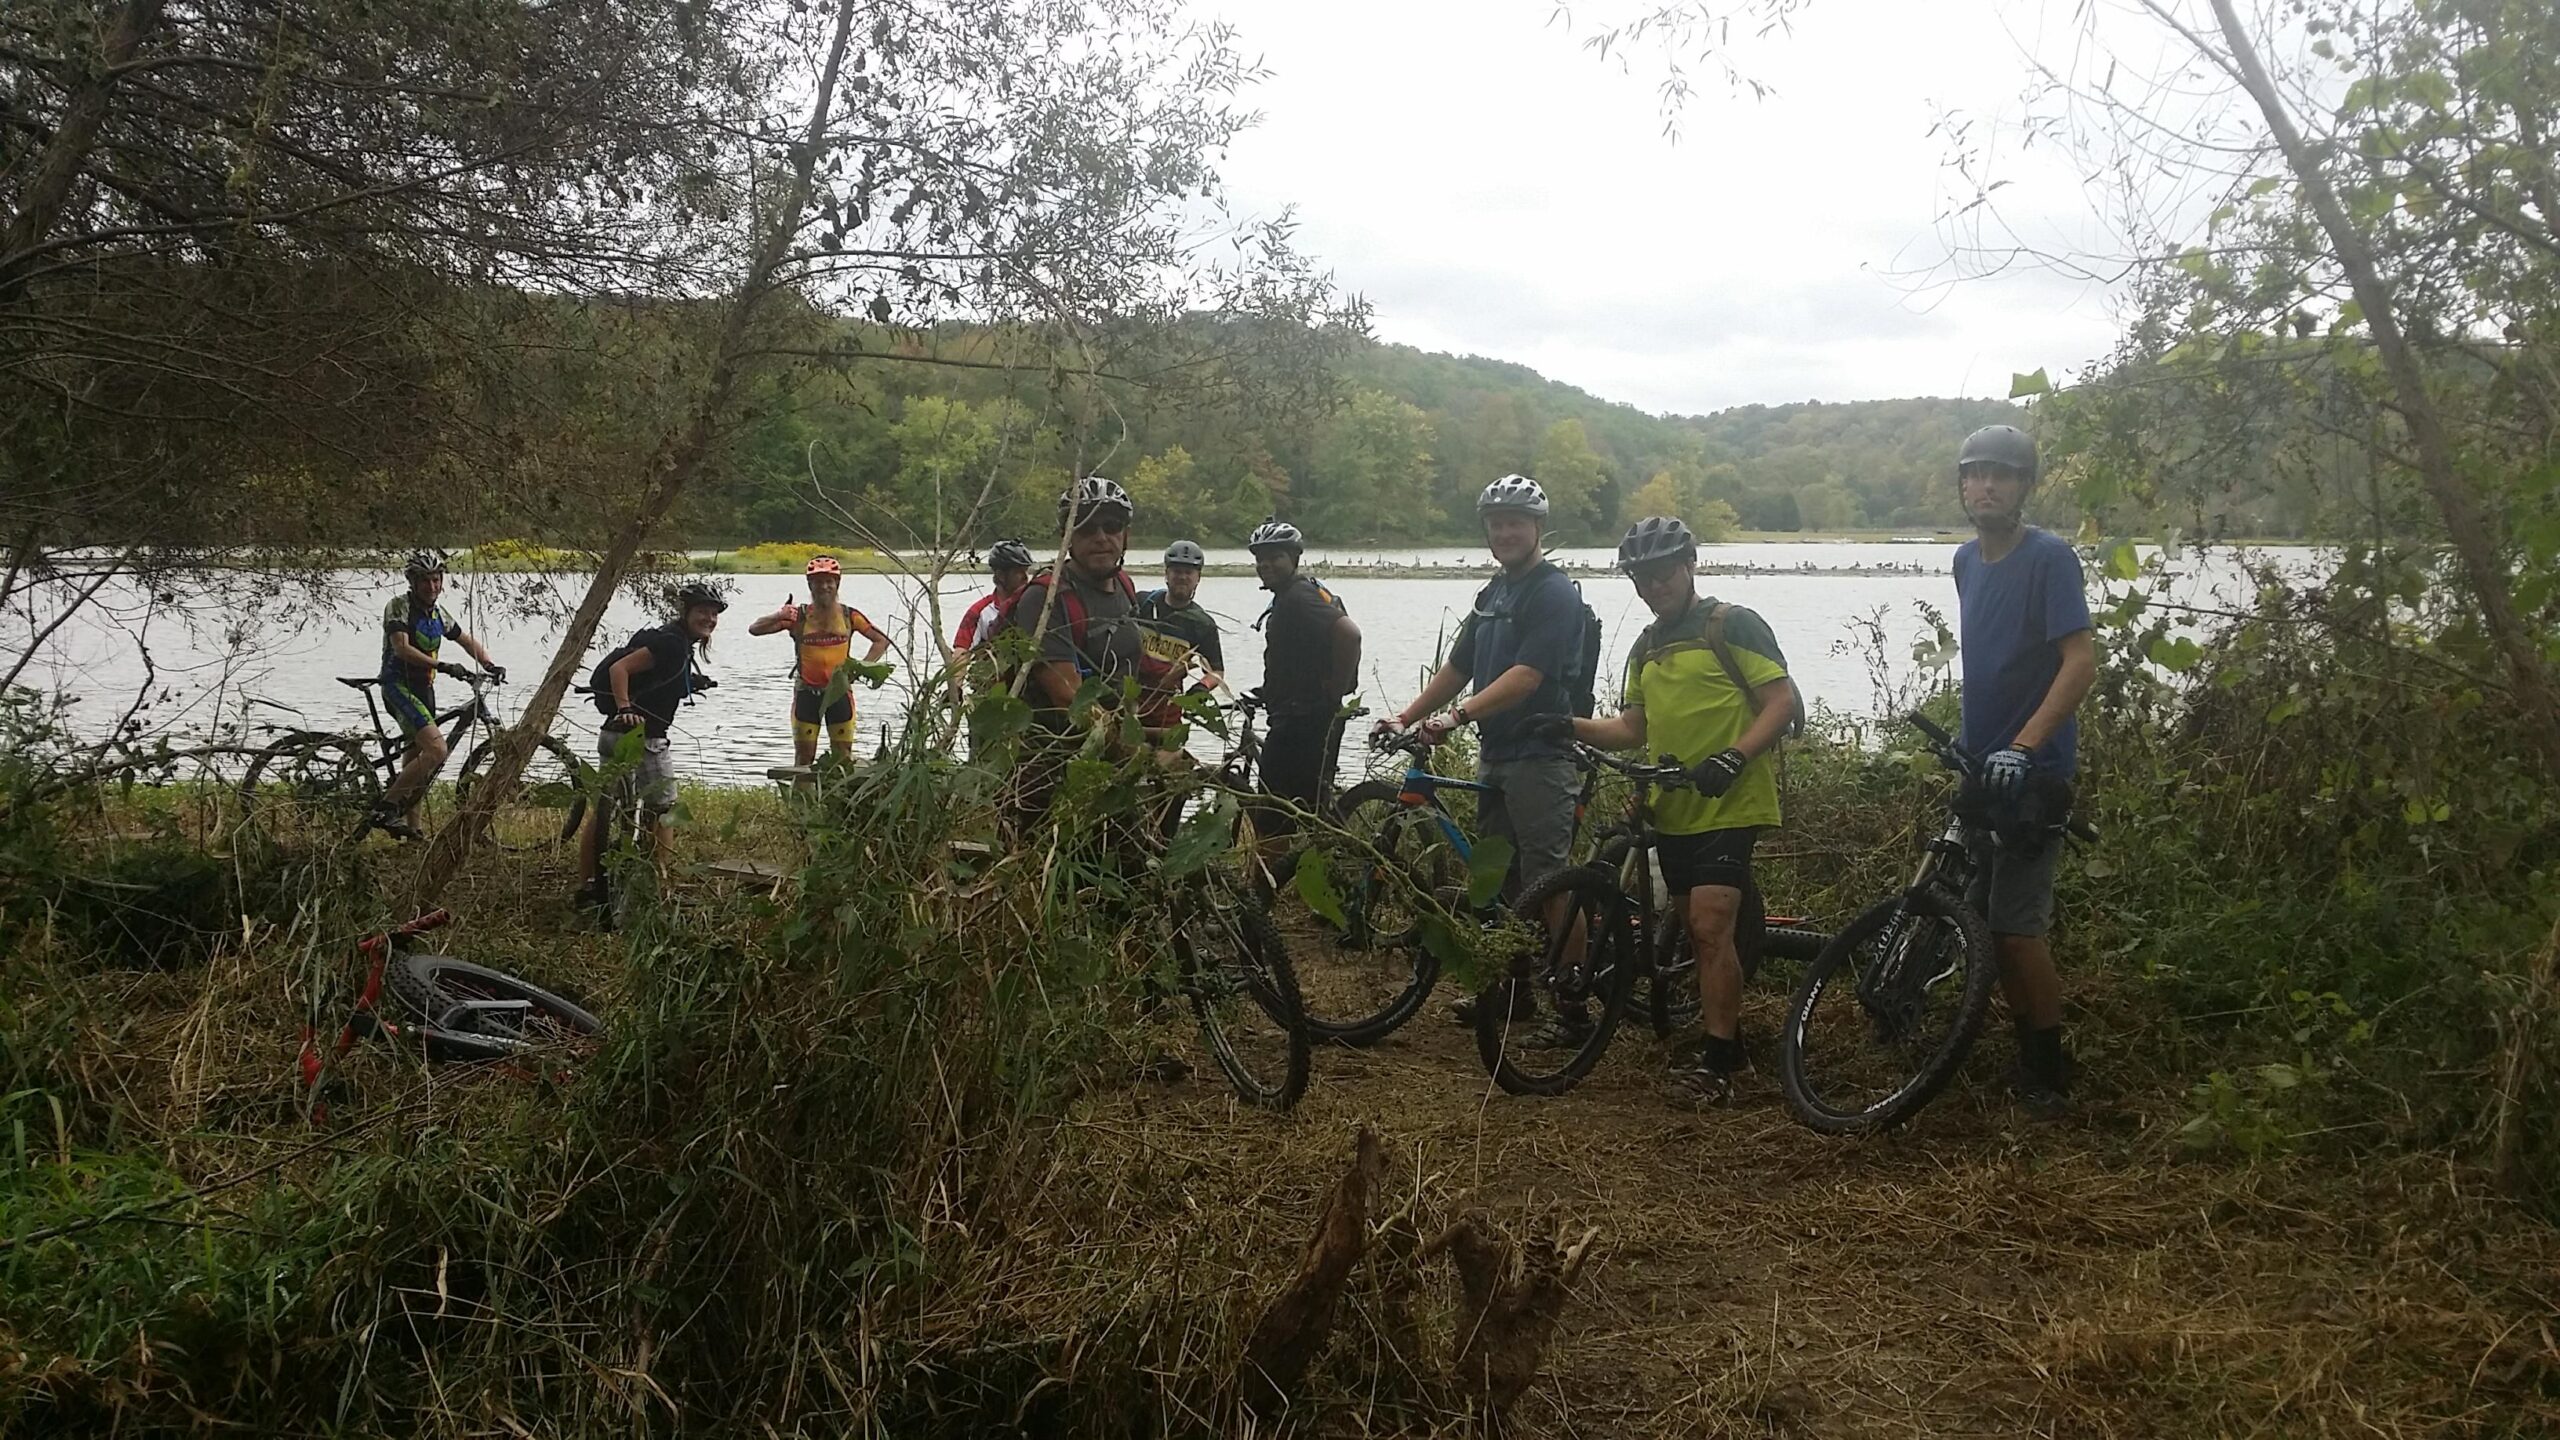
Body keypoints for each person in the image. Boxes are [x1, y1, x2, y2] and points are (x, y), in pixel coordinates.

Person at [1533, 516, 1797, 1107]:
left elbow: (1781, 703)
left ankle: (1720, 1061)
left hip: (1732, 802)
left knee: (1706, 924)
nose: (1654, 587)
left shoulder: (1733, 625)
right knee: (1700, 934)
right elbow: (1632, 729)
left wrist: (1734, 756)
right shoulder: (1646, 646)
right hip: (1674, 808)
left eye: (1663, 573)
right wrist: (1567, 724)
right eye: (1641, 579)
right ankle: (1715, 1029)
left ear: (1690, 565)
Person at [1371, 475, 1587, 1030]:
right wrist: (1408, 715)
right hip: (1497, 753)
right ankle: (1513, 999)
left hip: (1541, 755)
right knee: (1496, 881)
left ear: (1538, 527)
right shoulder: (1493, 594)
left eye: (1516, 521)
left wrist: (1457, 717)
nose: (1505, 531)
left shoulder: (1553, 592)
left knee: (1548, 881)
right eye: (1496, 523)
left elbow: (1526, 677)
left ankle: (1574, 1005)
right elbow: (1459, 666)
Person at [1951, 423, 2096, 1120]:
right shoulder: (1965, 561)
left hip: (2032, 774)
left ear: (2024, 486)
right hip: (1982, 766)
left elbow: (2079, 660)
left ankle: (2046, 1068)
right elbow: (1986, 662)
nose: (1986, 485)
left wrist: (2027, 745)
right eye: (1975, 474)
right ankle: (1979, 1042)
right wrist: (1969, 741)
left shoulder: (2049, 559)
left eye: (2001, 475)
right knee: (1973, 917)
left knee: (2015, 929)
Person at [998, 477, 1150, 819]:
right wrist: (1137, 752)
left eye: (1111, 526)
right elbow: (1069, 697)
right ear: (1067, 536)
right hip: (1050, 776)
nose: (1100, 537)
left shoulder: (1124, 587)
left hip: (1110, 768)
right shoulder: (1046, 598)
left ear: (1126, 535)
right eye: (1085, 526)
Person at [577, 581, 725, 911]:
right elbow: (620, 669)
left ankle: (588, 884)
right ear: (686, 612)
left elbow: (654, 678)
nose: (709, 619)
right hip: (646, 738)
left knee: (605, 807)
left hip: (611, 734)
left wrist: (692, 682)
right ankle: (662, 889)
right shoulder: (672, 643)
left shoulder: (673, 641)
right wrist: (626, 708)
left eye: (714, 614)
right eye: (703, 612)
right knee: (665, 810)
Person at [374, 550, 504, 839]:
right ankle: (385, 807)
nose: (432, 586)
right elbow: (402, 648)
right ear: (413, 581)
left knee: (416, 759)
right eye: (425, 581)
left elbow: (464, 639)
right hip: (398, 687)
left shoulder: (438, 613)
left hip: (425, 689)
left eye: (436, 580)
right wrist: (442, 665)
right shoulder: (398, 607)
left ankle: (413, 830)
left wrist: (489, 664)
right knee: (437, 750)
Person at [1246, 521, 1359, 833]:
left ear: (1294, 558)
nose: (1265, 565)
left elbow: (1350, 635)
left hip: (1299, 722)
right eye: (1260, 559)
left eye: (1275, 557)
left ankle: (1265, 881)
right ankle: (1304, 865)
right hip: (1305, 714)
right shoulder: (1297, 593)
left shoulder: (1298, 596)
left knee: (1270, 817)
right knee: (1306, 808)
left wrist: (1335, 689)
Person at [747, 555, 890, 766]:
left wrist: (860, 669)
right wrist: (779, 614)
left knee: (843, 758)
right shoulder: (799, 616)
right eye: (818, 582)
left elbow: (881, 641)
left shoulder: (850, 616)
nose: (824, 587)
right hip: (807, 694)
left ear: (837, 584)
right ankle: (802, 799)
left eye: (829, 581)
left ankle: (838, 799)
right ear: (810, 585)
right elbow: (755, 630)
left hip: (839, 694)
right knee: (804, 758)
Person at [1137, 539, 1227, 697]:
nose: (1183, 577)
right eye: (1177, 571)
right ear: (1167, 574)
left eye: (1188, 572)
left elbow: (1217, 671)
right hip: (1130, 696)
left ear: (1198, 578)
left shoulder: (1202, 623)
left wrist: (1202, 687)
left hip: (1167, 702)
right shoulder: (1143, 603)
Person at [949, 539, 1035, 704]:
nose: (1026, 577)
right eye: (1018, 572)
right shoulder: (980, 612)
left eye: (1027, 571)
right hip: (993, 694)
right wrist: (955, 688)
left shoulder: (1036, 604)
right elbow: (962, 652)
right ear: (1000, 574)